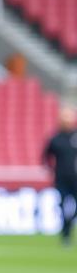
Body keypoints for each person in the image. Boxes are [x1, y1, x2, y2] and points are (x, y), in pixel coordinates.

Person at [43, 105, 77, 245]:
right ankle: (65, 234)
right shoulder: (55, 138)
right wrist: (51, 170)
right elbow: (45, 156)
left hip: (76, 178)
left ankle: (69, 224)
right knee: (62, 205)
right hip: (61, 179)